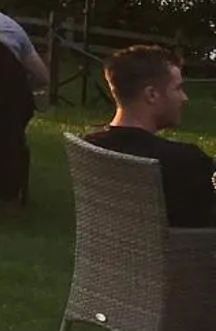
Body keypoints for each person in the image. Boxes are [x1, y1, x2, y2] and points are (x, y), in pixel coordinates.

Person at [85, 46, 216, 227]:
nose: (184, 98)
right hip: (184, 253)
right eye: (177, 89)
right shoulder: (184, 160)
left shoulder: (91, 146)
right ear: (152, 95)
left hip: (109, 251)